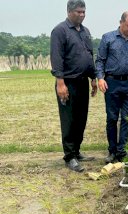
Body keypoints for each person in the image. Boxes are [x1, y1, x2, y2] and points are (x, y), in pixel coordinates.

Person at [50, 0, 96, 172]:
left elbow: (89, 56)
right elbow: (57, 58)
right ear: (69, 11)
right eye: (78, 12)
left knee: (81, 119)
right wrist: (60, 83)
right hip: (67, 82)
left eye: (84, 12)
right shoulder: (60, 31)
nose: (82, 15)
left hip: (83, 81)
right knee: (69, 120)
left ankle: (76, 151)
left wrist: (93, 78)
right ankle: (69, 156)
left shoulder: (85, 31)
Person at [95, 12, 128, 164]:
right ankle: (112, 150)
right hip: (112, 82)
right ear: (121, 22)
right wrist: (100, 78)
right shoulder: (108, 38)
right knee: (112, 118)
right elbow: (100, 61)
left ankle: (122, 150)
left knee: (127, 118)